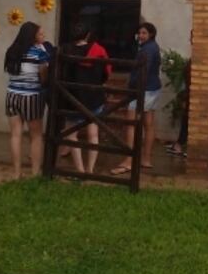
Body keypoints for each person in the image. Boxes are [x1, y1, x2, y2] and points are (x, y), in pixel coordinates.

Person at [111, 22, 161, 175]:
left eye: (144, 33)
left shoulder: (148, 49)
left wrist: (132, 85)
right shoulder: (152, 47)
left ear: (151, 34)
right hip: (153, 88)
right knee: (149, 124)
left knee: (131, 124)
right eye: (139, 33)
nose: (141, 36)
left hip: (143, 90)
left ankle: (129, 161)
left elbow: (143, 70)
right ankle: (146, 159)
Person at [62, 22, 110, 174]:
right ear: (88, 35)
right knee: (93, 134)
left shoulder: (65, 49)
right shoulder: (98, 50)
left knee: (72, 135)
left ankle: (80, 170)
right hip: (94, 97)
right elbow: (107, 72)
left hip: (72, 98)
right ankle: (90, 169)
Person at [4, 21, 49, 179]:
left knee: (15, 135)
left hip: (12, 95)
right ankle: (35, 173)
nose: (43, 36)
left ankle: (16, 173)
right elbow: (44, 76)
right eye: (40, 33)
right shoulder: (39, 52)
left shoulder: (12, 51)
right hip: (32, 96)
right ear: (33, 36)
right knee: (36, 136)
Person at [166, 59, 190, 157]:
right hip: (190, 97)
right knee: (186, 121)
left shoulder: (191, 64)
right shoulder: (190, 64)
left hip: (191, 97)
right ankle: (178, 145)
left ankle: (179, 145)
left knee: (186, 121)